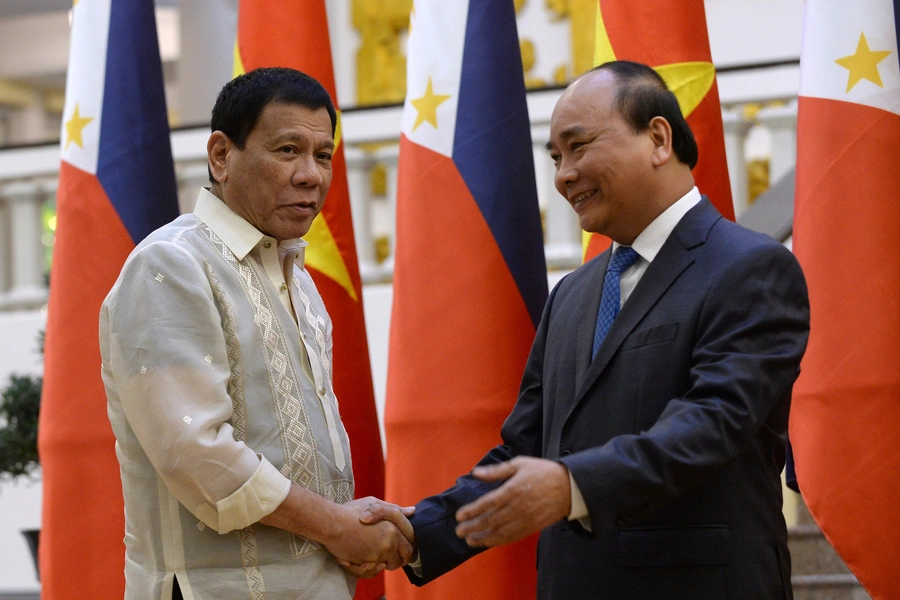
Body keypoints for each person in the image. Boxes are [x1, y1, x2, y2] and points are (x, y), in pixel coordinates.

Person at [365, 61, 810, 599]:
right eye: (556, 157)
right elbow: (527, 447)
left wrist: (571, 486)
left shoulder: (750, 268)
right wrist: (420, 532)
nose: (562, 175)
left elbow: (711, 424)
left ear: (659, 138)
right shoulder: (572, 296)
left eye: (578, 146)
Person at [100, 67, 413, 600]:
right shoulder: (171, 265)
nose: (311, 175)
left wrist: (345, 527)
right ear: (221, 155)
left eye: (322, 156)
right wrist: (338, 527)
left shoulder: (300, 281)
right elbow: (197, 454)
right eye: (288, 150)